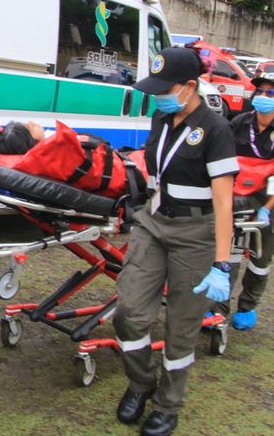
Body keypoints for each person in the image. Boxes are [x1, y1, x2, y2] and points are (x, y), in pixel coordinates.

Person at [113, 47, 237, 436]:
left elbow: (223, 201)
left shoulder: (216, 130)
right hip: (154, 223)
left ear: (189, 86)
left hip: (195, 235)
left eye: (166, 89)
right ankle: (141, 383)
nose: (159, 96)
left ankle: (168, 405)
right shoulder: (161, 118)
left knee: (180, 329)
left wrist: (221, 263)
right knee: (128, 313)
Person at [219, 76, 274, 329]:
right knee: (226, 250)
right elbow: (222, 159)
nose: (263, 96)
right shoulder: (239, 122)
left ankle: (248, 306)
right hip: (236, 192)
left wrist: (268, 207)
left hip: (268, 195)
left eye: (271, 93)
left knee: (263, 252)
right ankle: (217, 309)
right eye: (260, 91)